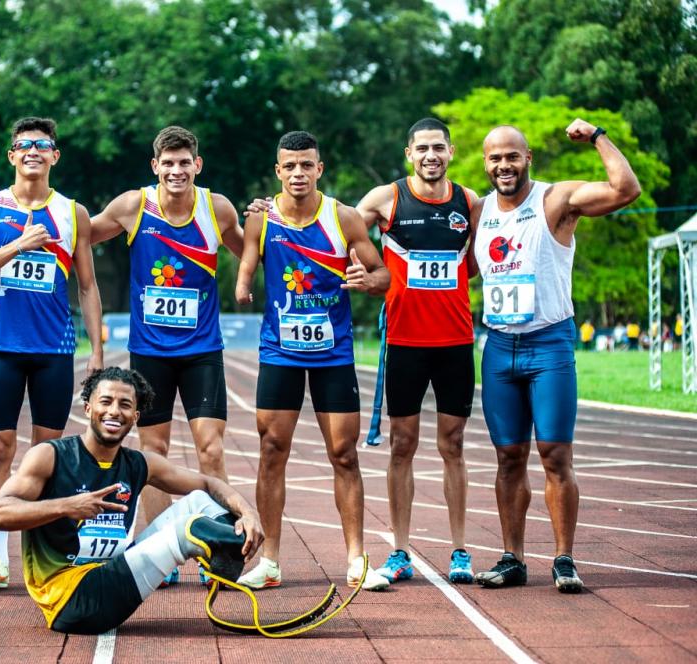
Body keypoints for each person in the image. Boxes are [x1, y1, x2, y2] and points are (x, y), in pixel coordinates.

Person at [472, 119, 640, 593]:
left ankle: (564, 559)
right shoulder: (479, 210)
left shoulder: (555, 199)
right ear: (485, 163)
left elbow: (625, 189)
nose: (504, 165)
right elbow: (445, 258)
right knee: (508, 458)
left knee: (555, 456)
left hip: (549, 344)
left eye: (512, 156)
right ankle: (512, 558)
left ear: (528, 158)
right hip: (499, 348)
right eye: (495, 158)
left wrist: (598, 136)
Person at [0, 366, 264, 634]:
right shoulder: (50, 456)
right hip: (72, 600)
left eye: (125, 405)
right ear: (88, 408)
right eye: (106, 401)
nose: (114, 411)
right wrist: (66, 506)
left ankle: (225, 558)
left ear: (135, 416)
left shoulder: (138, 463)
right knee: (190, 529)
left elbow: (208, 483)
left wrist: (248, 513)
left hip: (113, 574)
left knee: (200, 500)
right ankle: (223, 552)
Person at [234, 130, 390, 591]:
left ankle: (356, 560)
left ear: (319, 169)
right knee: (271, 449)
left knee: (344, 453)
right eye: (290, 166)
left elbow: (382, 275)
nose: (298, 173)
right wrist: (243, 287)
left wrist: (367, 281)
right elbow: (246, 263)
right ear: (278, 171)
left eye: (307, 165)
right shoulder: (261, 220)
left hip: (333, 354)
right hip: (279, 351)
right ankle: (270, 561)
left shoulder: (343, 218)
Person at [89, 126, 243, 587]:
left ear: (198, 165)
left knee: (210, 449)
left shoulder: (216, 209)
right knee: (152, 452)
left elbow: (252, 249)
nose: (177, 171)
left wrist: (267, 221)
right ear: (155, 166)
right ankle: (161, 553)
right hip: (150, 352)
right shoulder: (133, 206)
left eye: (184, 162)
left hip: (202, 351)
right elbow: (81, 236)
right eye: (168, 163)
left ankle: (218, 550)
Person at [0, 116, 104, 593]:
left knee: (45, 456)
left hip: (54, 351)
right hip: (2, 347)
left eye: (42, 145)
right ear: (12, 155)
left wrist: (97, 349)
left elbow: (87, 286)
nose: (33, 151)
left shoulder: (73, 213)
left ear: (54, 156)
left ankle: (43, 558)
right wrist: (18, 245)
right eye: (24, 145)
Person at [352, 118, 479, 585]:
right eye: (422, 148)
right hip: (405, 343)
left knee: (453, 445)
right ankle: (401, 550)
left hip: (455, 342)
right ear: (409, 154)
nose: (431, 155)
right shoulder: (385, 199)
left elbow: (475, 264)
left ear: (451, 152)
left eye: (438, 148)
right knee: (402, 445)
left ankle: (460, 550)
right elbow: (336, 228)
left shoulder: (469, 202)